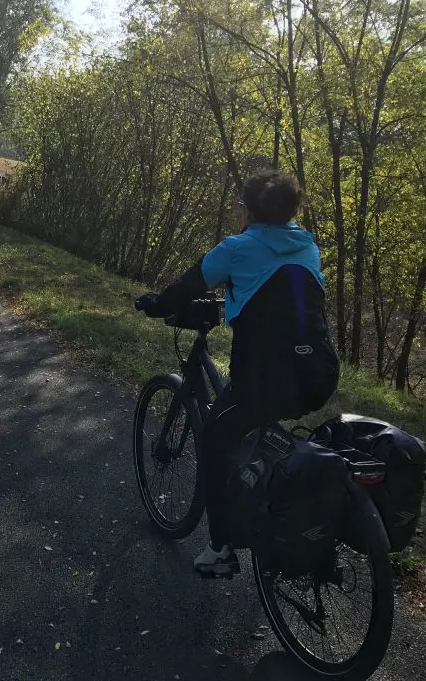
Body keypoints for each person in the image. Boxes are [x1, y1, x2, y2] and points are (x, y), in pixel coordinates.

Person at [135, 170, 339, 576]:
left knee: (213, 438)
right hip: (318, 375)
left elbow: (189, 283)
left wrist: (157, 304)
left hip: (266, 382)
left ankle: (221, 548)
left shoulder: (238, 248)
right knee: (252, 427)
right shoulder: (307, 244)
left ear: (248, 211)